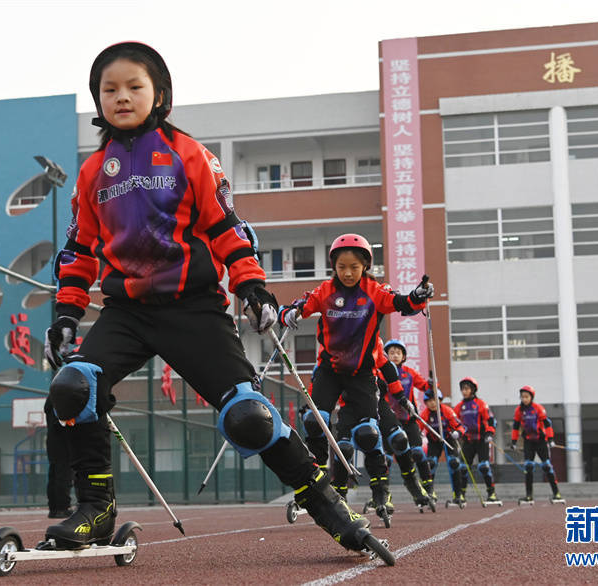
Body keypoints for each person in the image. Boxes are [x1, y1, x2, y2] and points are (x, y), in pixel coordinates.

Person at [43, 42, 381, 555]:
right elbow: (79, 251)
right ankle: (96, 510)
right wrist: (66, 314)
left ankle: (329, 506)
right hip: (127, 313)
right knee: (72, 388)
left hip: (194, 309)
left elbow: (227, 228)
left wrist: (251, 285)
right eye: (109, 90)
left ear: (161, 95)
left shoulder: (189, 154)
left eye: (135, 86)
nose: (122, 97)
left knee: (249, 416)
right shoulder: (92, 173)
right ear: (98, 101)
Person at [278, 233, 434, 524]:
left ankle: (380, 490)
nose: (348, 273)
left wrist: (418, 296)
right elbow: (300, 306)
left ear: (365, 266)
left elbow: (401, 302)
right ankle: (315, 480)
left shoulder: (374, 291)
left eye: (354, 267)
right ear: (334, 267)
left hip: (362, 374)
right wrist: (288, 313)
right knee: (314, 420)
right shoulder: (325, 290)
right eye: (342, 267)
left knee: (368, 434)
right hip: (329, 370)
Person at [376, 339, 434, 509]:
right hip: (388, 420)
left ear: (404, 357)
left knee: (417, 452)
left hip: (409, 419)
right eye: (391, 352)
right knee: (385, 457)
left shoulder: (409, 373)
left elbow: (426, 387)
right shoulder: (381, 372)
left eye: (398, 353)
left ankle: (428, 488)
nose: (394, 355)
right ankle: (383, 495)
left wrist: (431, 384)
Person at [511, 386, 561, 502]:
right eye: (522, 397)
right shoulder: (519, 410)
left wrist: (550, 439)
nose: (524, 399)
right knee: (528, 467)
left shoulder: (538, 408)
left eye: (526, 397)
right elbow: (515, 426)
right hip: (528, 441)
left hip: (540, 440)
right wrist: (513, 441)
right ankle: (529, 495)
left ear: (531, 397)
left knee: (547, 466)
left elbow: (547, 424)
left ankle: (556, 493)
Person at [418, 388, 465, 504]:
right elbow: (418, 427)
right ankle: (429, 493)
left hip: (449, 440)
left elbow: (460, 426)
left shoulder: (447, 411)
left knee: (454, 463)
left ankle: (458, 494)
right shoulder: (425, 414)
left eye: (434, 400)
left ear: (439, 400)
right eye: (428, 401)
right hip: (434, 441)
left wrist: (457, 433)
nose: (432, 403)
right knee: (430, 464)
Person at [455, 377, 498, 502]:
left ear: (473, 390)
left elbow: (491, 420)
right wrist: (455, 432)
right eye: (462, 389)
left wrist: (490, 433)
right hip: (468, 441)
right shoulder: (459, 407)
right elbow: (454, 422)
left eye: (467, 389)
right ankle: (461, 494)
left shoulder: (481, 404)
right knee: (463, 468)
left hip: (481, 440)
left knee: (484, 466)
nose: (464, 391)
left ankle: (491, 493)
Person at [44, 396, 74, 518]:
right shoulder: (63, 398)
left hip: (52, 440)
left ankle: (53, 508)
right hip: (63, 440)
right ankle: (63, 507)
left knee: (54, 473)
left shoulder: (50, 399)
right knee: (64, 474)